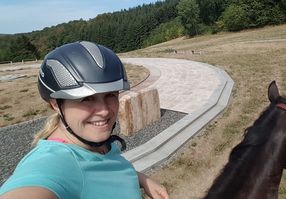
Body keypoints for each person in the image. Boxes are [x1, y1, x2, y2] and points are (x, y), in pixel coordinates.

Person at [0, 41, 169, 199]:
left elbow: (103, 169)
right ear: (55, 104)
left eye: (110, 95)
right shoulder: (54, 163)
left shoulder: (97, 143)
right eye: (86, 99)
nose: (104, 111)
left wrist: (141, 179)